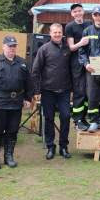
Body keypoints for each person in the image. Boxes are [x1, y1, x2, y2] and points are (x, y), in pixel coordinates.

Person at [0, 35, 33, 169]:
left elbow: (29, 81)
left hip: (16, 103)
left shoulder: (22, 63)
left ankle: (9, 156)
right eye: (9, 46)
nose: (12, 48)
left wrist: (28, 98)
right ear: (3, 46)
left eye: (14, 46)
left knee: (12, 131)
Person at [32, 23, 72, 160]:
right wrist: (37, 90)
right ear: (50, 33)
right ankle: (50, 147)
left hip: (65, 91)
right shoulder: (44, 49)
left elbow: (73, 70)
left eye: (59, 32)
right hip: (47, 90)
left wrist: (72, 89)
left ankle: (63, 146)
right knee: (48, 118)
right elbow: (36, 71)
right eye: (54, 32)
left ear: (62, 33)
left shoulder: (68, 49)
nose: (57, 34)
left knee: (66, 117)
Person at [65, 3, 92, 131]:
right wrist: (81, 43)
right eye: (75, 11)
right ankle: (78, 120)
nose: (77, 13)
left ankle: (86, 117)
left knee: (91, 90)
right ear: (72, 14)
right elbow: (71, 47)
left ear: (83, 11)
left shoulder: (89, 24)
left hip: (91, 61)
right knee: (79, 91)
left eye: (79, 11)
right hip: (77, 63)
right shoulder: (70, 27)